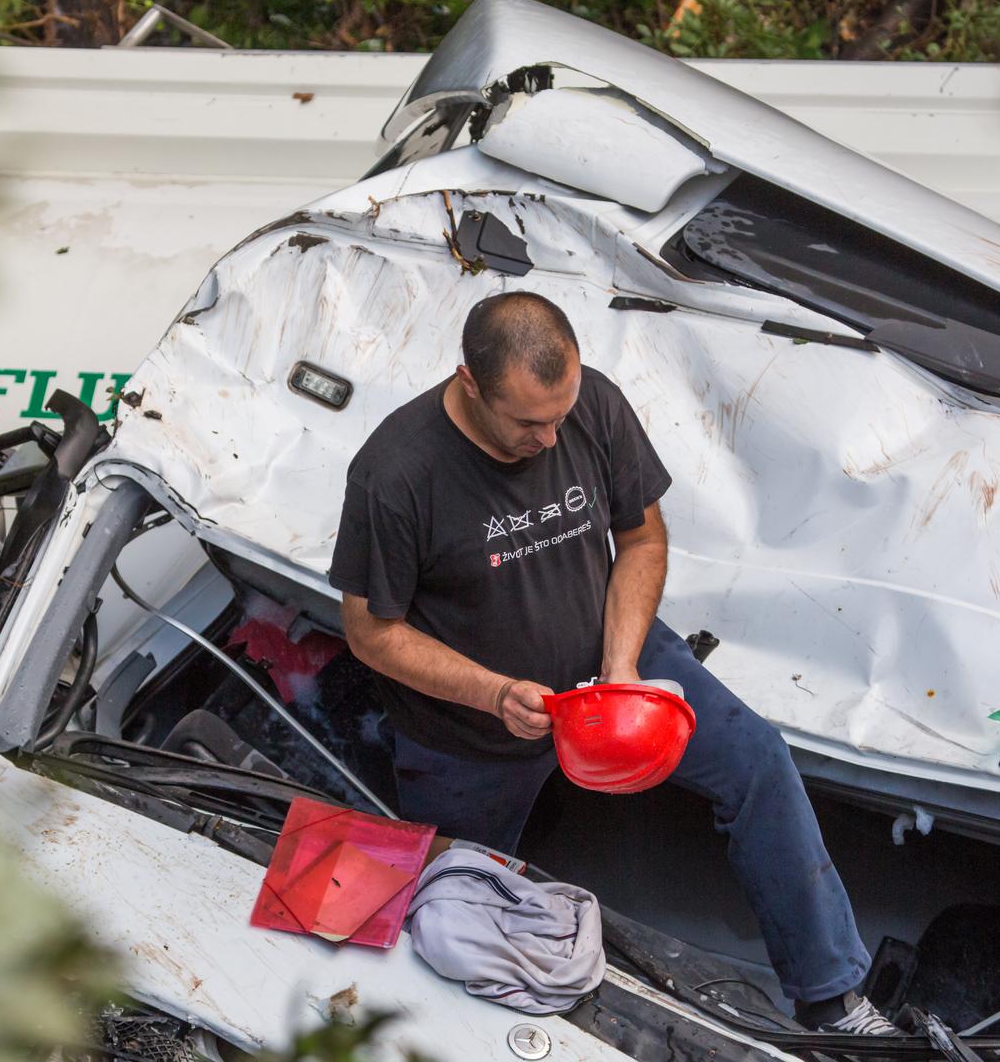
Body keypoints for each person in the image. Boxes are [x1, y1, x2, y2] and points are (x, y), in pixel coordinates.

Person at [329, 290, 893, 1035]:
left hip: (610, 665)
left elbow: (642, 540)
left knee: (756, 759)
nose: (550, 436)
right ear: (469, 381)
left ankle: (830, 998)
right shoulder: (394, 474)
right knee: (457, 902)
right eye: (529, 423)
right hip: (470, 731)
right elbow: (371, 634)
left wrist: (621, 666)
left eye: (559, 416)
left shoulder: (590, 403)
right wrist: (494, 694)